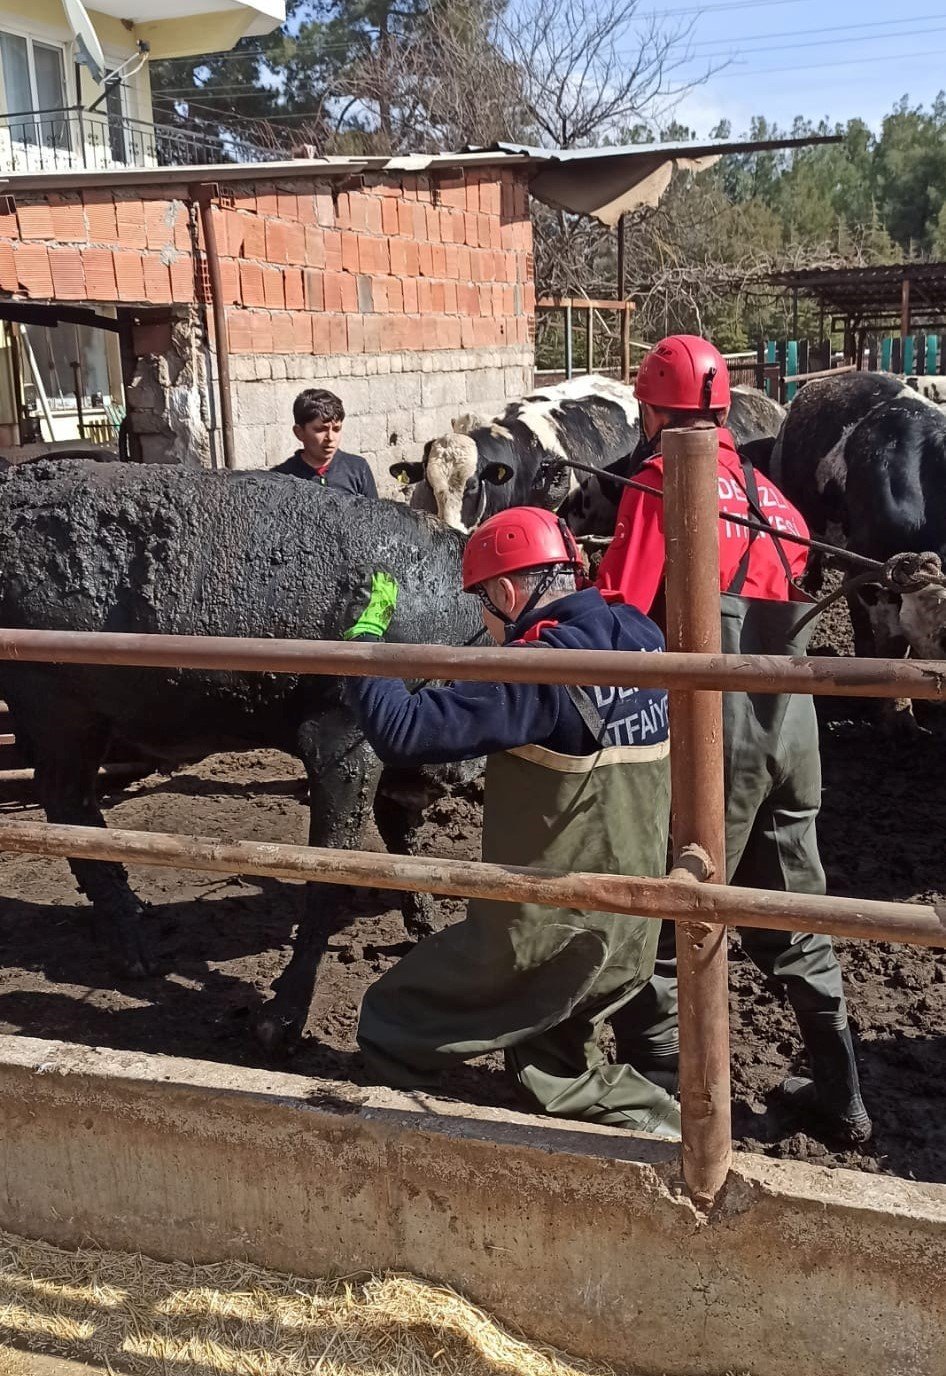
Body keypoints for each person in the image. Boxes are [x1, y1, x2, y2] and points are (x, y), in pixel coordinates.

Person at [597, 333, 872, 1145]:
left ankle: (659, 1097)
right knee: (794, 907)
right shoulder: (772, 496)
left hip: (712, 726)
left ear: (652, 408)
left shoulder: (659, 482)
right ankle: (844, 1094)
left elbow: (620, 607)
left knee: (673, 902)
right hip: (790, 721)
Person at [341, 507, 681, 1139]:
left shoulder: (540, 670)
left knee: (393, 1016)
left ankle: (403, 1144)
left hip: (547, 934)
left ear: (505, 592)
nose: (487, 626)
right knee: (550, 1064)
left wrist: (367, 641)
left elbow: (403, 730)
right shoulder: (642, 634)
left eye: (484, 607)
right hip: (634, 925)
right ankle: (675, 1131)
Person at [271, 388, 377, 497]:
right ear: (299, 432)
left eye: (336, 429)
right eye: (320, 430)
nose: (330, 437)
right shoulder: (280, 478)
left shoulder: (358, 469)